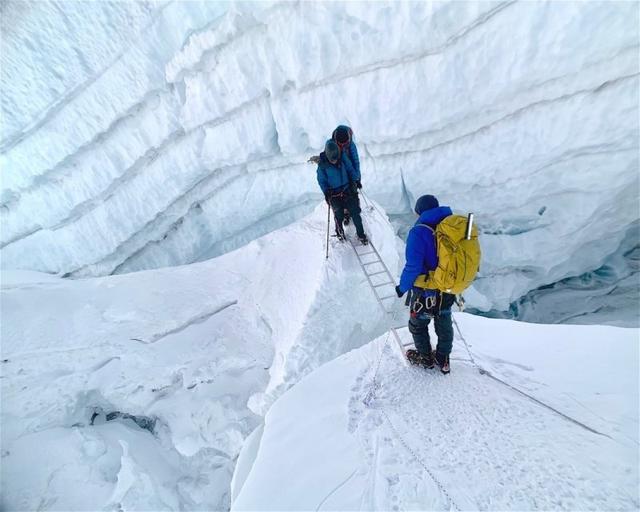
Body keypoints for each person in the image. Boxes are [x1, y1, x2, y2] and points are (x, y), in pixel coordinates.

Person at [395, 194, 454, 374]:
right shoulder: (451, 226)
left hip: (426, 292)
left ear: (419, 211)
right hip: (447, 287)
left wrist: (402, 288)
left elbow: (413, 266)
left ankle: (426, 358)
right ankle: (443, 360)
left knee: (418, 325)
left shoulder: (419, 231)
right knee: (443, 322)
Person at [316, 140, 368, 245]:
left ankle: (361, 235)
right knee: (338, 214)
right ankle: (340, 233)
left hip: (346, 190)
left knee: (355, 212)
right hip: (333, 193)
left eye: (336, 159)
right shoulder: (322, 166)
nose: (335, 161)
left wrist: (356, 180)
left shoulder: (343, 157)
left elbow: (350, 169)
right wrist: (326, 192)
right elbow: (322, 181)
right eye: (332, 160)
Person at [332, 125, 361, 226]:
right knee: (342, 195)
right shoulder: (332, 145)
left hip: (350, 172)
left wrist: (357, 178)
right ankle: (345, 214)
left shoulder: (351, 145)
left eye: (346, 143)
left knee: (353, 192)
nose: (344, 145)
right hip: (339, 174)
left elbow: (356, 161)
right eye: (342, 144)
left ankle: (355, 211)